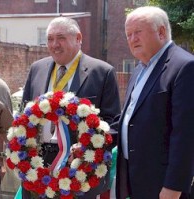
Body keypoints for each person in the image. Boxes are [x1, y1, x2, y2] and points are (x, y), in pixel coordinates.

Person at [21, 16, 121, 199]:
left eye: (61, 38)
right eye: (50, 38)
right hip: (38, 164)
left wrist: (86, 147)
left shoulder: (102, 72)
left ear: (78, 38)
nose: (54, 44)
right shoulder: (37, 69)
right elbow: (24, 114)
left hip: (78, 166)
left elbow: (112, 123)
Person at [116, 6, 194, 199]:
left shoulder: (184, 67)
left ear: (161, 32)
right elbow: (129, 118)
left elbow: (186, 134)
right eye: (128, 35)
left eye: (138, 32)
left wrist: (174, 187)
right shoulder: (139, 69)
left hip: (164, 186)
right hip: (136, 179)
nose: (132, 39)